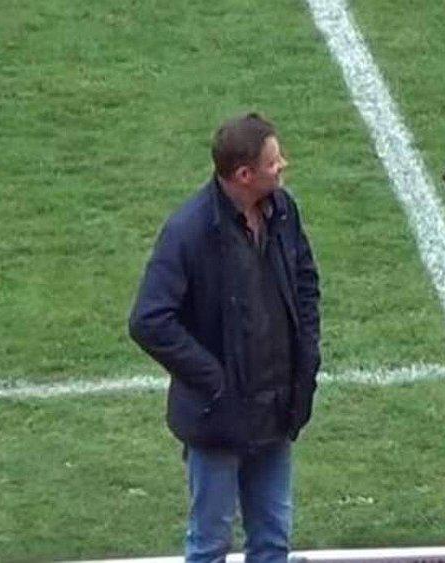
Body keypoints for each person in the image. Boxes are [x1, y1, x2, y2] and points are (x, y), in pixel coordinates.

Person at [129, 112, 321, 563]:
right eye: (275, 162)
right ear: (244, 174)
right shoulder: (189, 232)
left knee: (273, 542)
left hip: (275, 410)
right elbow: (149, 320)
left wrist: (306, 355)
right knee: (210, 545)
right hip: (219, 417)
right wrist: (214, 378)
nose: (284, 166)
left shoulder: (283, 211)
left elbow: (306, 281)